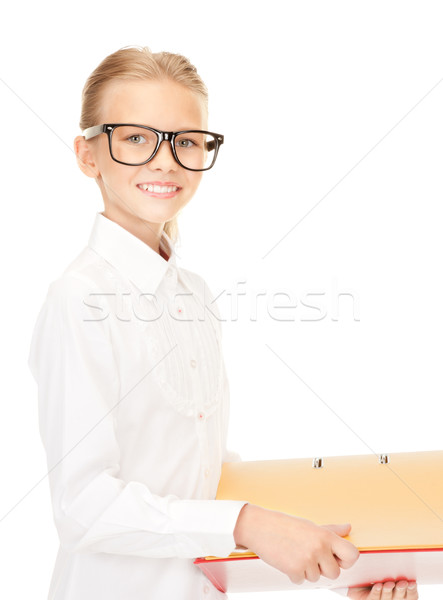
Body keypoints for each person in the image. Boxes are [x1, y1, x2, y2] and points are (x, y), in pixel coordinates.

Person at [27, 45, 419, 600]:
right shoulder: (79, 297)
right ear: (88, 155)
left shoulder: (195, 295)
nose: (165, 161)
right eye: (136, 137)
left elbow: (206, 475)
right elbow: (82, 505)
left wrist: (341, 567)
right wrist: (248, 524)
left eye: (186, 141)